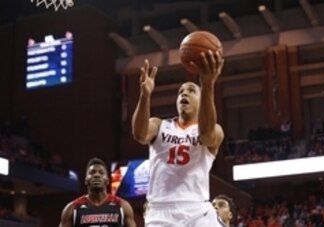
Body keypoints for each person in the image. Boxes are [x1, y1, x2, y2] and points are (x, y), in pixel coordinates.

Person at [131, 48, 225, 227]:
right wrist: (145, 96)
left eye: (191, 90)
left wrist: (208, 84)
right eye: (181, 91)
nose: (184, 93)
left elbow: (206, 135)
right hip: (161, 210)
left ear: (201, 99)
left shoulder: (215, 130)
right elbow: (139, 134)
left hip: (198, 209)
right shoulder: (159, 125)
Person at [58, 157, 136, 227]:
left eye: (101, 173)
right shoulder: (72, 208)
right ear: (85, 180)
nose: (97, 175)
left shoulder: (122, 206)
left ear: (107, 180)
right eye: (92, 172)